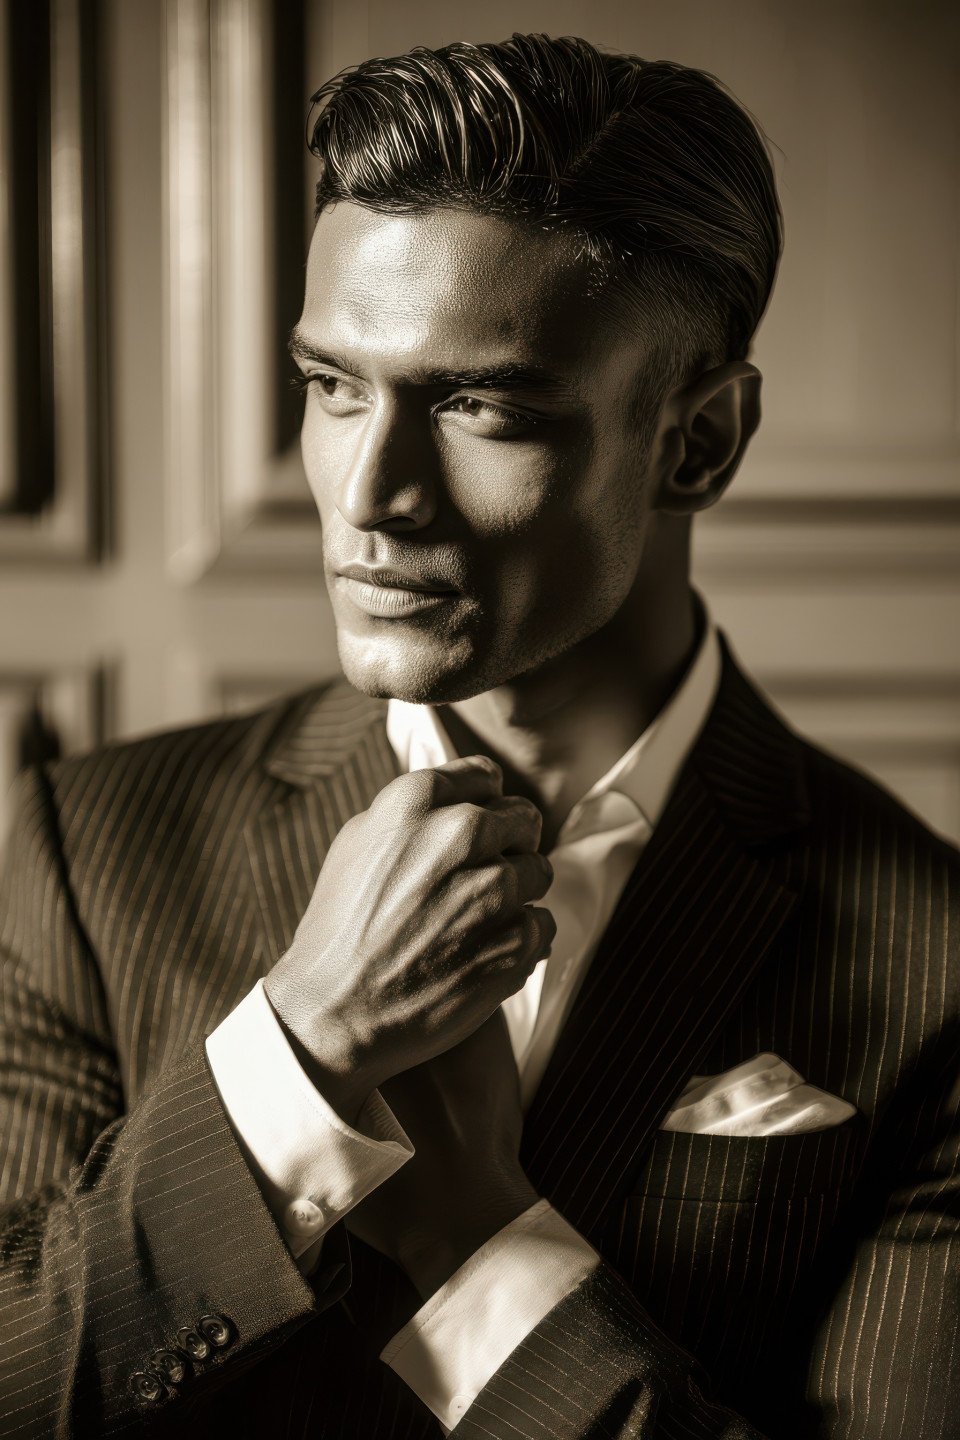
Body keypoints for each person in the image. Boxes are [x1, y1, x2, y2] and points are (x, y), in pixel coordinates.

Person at [0, 31, 956, 1440]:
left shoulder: (936, 963)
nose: (369, 493)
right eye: (332, 387)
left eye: (480, 406)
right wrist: (299, 1059)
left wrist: (476, 1243)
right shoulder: (87, 851)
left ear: (700, 444)